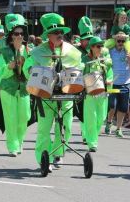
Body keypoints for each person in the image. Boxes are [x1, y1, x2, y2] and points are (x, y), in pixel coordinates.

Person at [23, 13, 81, 172]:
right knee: (44, 129)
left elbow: (80, 68)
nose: (59, 35)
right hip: (45, 95)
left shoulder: (73, 51)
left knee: (65, 127)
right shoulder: (37, 52)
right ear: (48, 35)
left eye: (61, 32)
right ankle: (44, 158)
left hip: (66, 95)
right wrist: (33, 70)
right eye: (56, 33)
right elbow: (27, 68)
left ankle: (58, 153)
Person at [0, 13, 31, 156]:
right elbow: (1, 73)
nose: (19, 36)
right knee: (11, 118)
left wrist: (25, 64)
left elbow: (30, 71)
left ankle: (20, 141)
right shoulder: (3, 51)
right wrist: (9, 67)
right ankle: (12, 145)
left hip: (24, 88)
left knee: (24, 117)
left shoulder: (28, 51)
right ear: (11, 35)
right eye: (16, 33)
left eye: (22, 34)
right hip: (8, 88)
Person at [82, 36, 113, 152]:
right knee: (91, 118)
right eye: (98, 46)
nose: (101, 48)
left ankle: (92, 137)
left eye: (101, 46)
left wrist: (109, 80)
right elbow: (80, 74)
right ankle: (92, 142)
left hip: (102, 93)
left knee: (101, 118)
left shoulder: (104, 60)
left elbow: (109, 73)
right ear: (92, 47)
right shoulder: (85, 60)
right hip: (90, 94)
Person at [105, 32, 130, 137]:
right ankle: (109, 122)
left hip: (125, 84)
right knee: (112, 106)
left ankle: (118, 129)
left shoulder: (129, 52)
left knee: (123, 108)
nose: (120, 43)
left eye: (123, 41)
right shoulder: (110, 51)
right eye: (118, 40)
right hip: (113, 83)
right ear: (115, 41)